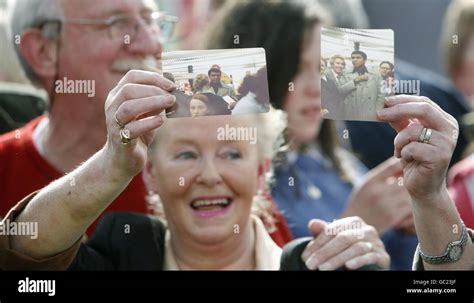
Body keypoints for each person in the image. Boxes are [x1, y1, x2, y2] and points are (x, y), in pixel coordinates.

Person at [0, 71, 389, 271]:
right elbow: (23, 253)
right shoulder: (123, 253)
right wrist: (109, 166)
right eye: (186, 154)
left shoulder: (319, 265)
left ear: (262, 170)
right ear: (150, 173)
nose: (208, 174)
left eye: (232, 155)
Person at [205, 0, 416, 270]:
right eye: (296, 70)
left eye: (321, 68)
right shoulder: (228, 181)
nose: (316, 88)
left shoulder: (340, 165)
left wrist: (416, 221)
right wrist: (352, 227)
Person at [0, 0, 178, 234]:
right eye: (117, 23)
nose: (151, 43)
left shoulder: (199, 163)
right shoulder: (6, 170)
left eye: (150, 21)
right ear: (43, 51)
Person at [343, 50, 385, 121]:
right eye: (353, 58)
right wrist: (356, 80)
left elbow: (381, 95)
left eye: (358, 58)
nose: (355, 60)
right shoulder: (345, 74)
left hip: (370, 113)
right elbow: (341, 90)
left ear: (365, 60)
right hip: (351, 112)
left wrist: (378, 111)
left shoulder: (376, 75)